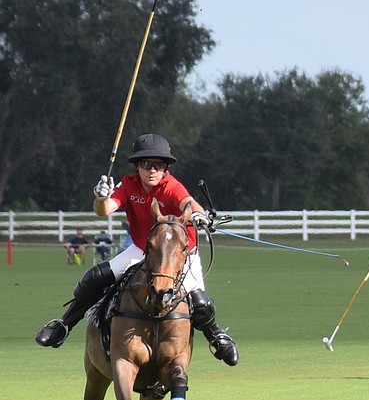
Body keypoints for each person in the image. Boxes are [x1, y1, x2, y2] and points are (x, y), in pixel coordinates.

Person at [35, 133, 239, 365]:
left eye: (157, 165)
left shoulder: (171, 186)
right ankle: (63, 325)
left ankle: (217, 336)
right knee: (94, 278)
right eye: (145, 165)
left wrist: (200, 216)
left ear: (165, 168)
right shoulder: (129, 185)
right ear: (137, 167)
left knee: (201, 303)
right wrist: (100, 197)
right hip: (142, 249)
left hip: (180, 255)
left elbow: (188, 204)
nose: (151, 170)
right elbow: (104, 210)